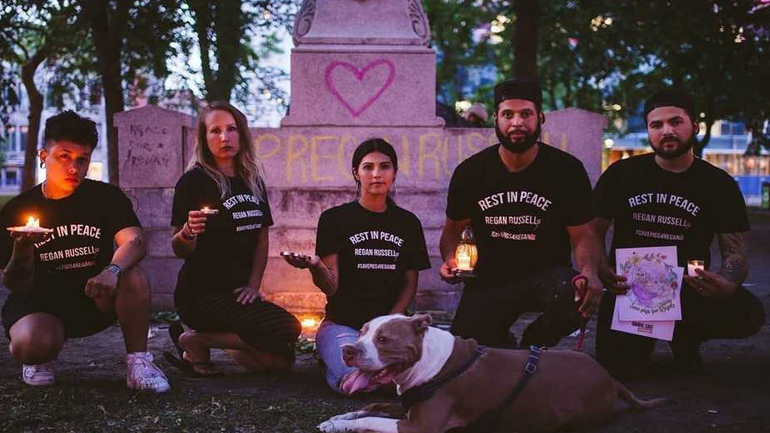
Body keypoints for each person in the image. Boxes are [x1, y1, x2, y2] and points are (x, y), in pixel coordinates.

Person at [592, 89, 765, 378]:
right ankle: (642, 341)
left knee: (748, 313)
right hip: (631, 291)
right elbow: (592, 232)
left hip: (689, 291)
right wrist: (600, 267)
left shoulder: (718, 184)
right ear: (648, 130)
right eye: (656, 125)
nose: (666, 131)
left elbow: (735, 251)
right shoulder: (621, 174)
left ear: (695, 126)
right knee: (618, 369)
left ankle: (687, 338)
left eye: (676, 122)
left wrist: (729, 282)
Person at [0, 111, 169, 392]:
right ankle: (37, 359)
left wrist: (112, 270)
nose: (73, 168)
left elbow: (135, 241)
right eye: (63, 156)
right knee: (32, 344)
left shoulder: (105, 197)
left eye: (82, 159)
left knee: (132, 274)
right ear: (44, 156)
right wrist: (22, 251)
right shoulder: (17, 210)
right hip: (40, 304)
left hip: (94, 295)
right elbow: (14, 284)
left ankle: (139, 361)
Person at [439, 78, 602, 350]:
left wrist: (589, 271)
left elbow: (583, 234)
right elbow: (453, 231)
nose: (517, 123)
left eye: (525, 114)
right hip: (489, 279)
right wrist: (450, 260)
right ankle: (500, 340)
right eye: (508, 115)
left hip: (547, 277)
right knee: (466, 348)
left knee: (576, 290)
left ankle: (535, 344)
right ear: (496, 119)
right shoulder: (471, 172)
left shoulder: (566, 170)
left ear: (540, 117)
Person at [283, 138, 430, 394]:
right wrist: (316, 266)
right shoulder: (335, 220)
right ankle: (337, 363)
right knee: (357, 382)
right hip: (344, 325)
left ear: (394, 173)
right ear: (356, 173)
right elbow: (331, 287)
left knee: (421, 375)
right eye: (368, 167)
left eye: (384, 166)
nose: (376, 173)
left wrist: (391, 321)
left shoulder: (408, 223)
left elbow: (410, 282)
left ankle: (346, 367)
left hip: (390, 327)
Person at [167, 101, 300, 376]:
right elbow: (178, 248)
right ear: (204, 139)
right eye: (215, 131)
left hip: (238, 296)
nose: (225, 137)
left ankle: (204, 341)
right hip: (201, 295)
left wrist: (253, 284)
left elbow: (261, 238)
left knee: (280, 362)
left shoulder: (252, 180)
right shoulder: (193, 181)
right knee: (289, 327)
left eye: (231, 129)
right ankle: (198, 338)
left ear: (242, 134)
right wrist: (188, 232)